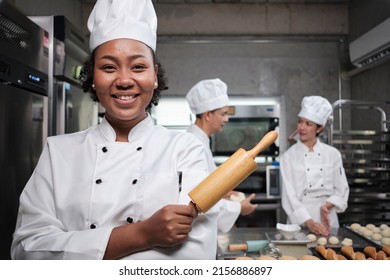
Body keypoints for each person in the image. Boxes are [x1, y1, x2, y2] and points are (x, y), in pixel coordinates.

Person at [11, 0, 219, 260]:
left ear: (154, 76)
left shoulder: (185, 149)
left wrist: (77, 251)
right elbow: (27, 250)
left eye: (138, 67)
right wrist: (143, 234)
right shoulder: (58, 151)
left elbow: (195, 257)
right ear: (93, 77)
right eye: (109, 67)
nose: (123, 80)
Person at [185, 79, 257, 232]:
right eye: (223, 114)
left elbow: (208, 186)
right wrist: (238, 208)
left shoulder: (201, 141)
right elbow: (200, 198)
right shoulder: (194, 145)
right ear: (208, 115)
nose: (227, 119)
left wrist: (224, 192)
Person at [280, 96, 349, 236]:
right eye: (300, 122)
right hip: (299, 221)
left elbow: (342, 188)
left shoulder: (332, 154)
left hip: (328, 218)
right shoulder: (288, 157)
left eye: (308, 124)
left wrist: (327, 206)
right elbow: (289, 196)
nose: (301, 127)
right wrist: (309, 222)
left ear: (319, 128)